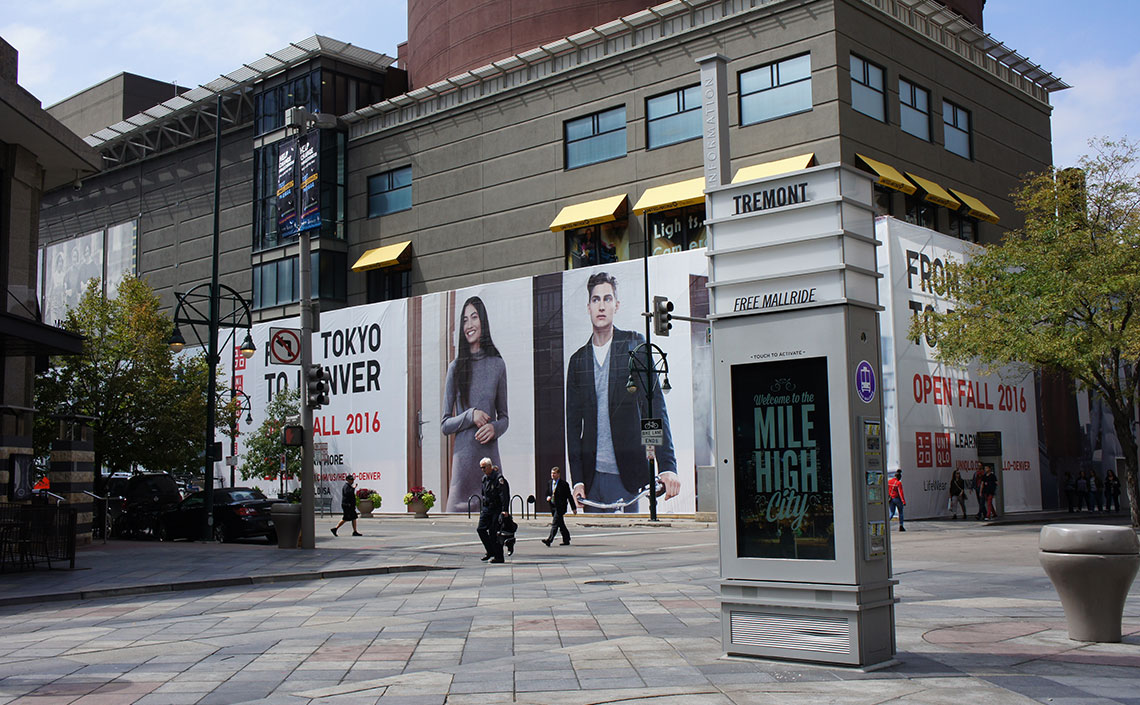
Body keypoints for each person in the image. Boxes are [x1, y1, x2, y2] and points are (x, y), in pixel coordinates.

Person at [566, 272, 680, 512]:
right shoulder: (578, 361)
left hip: (629, 475)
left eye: (607, 299)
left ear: (616, 306)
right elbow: (573, 427)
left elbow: (654, 408)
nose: (601, 306)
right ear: (588, 307)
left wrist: (666, 465)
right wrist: (577, 480)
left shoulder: (634, 346)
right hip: (591, 478)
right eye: (596, 300)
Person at [442, 296, 509, 513]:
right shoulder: (455, 367)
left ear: (483, 322)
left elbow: (505, 418)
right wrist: (470, 415)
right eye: (464, 320)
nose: (469, 325)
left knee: (495, 523)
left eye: (474, 317)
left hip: (491, 462)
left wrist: (494, 427)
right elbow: (445, 425)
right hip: (463, 469)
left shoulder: (498, 365)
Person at [477, 457, 510, 563]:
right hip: (487, 508)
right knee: (480, 529)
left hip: (496, 508)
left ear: (490, 466)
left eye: (484, 467)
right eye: (481, 468)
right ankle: (490, 551)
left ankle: (499, 556)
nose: (482, 470)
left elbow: (504, 495)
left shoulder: (498, 478)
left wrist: (504, 510)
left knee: (494, 532)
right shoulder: (484, 478)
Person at [542, 466, 576, 546]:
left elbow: (569, 496)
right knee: (560, 523)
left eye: (554, 473)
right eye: (551, 473)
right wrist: (547, 497)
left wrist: (573, 508)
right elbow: (547, 493)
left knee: (555, 523)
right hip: (553, 506)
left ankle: (549, 540)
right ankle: (566, 539)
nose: (552, 475)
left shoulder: (564, 484)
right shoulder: (550, 483)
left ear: (558, 474)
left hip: (560, 507)